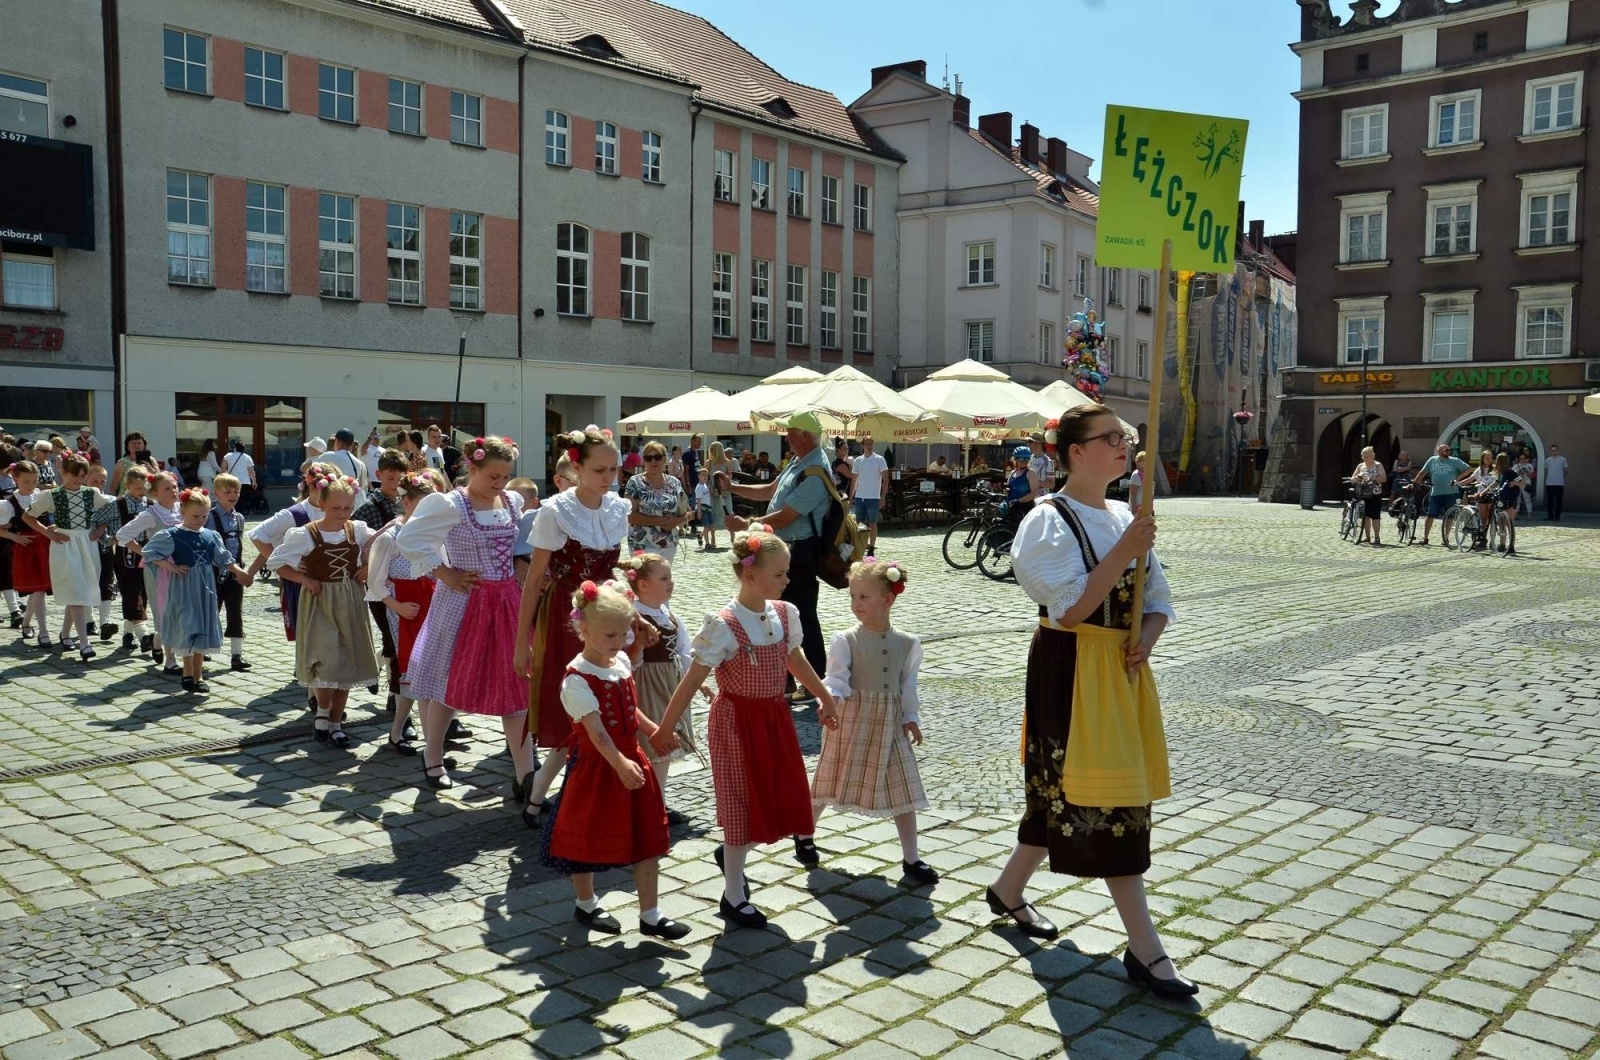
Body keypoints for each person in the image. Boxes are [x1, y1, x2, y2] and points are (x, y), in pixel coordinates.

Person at [995, 403, 1194, 1000]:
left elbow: (1156, 598)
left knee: (1065, 791)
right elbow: (1072, 607)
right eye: (1113, 438)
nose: (1124, 445)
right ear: (1076, 452)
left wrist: (1146, 641)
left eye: (1126, 437)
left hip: (1119, 672)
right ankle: (1146, 949)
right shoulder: (1047, 520)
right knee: (1106, 803)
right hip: (1070, 666)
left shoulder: (1123, 515)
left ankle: (1007, 891)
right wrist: (1126, 547)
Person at [650, 526, 836, 929]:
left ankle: (733, 856)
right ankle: (733, 894)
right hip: (735, 722)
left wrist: (823, 695)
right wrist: (665, 728)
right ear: (750, 575)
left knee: (778, 794)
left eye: (787, 573)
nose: (788, 580)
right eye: (780, 574)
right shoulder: (724, 623)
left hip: (773, 716)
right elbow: (690, 681)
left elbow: (794, 658)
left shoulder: (785, 614)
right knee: (739, 802)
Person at [538, 579, 689, 941]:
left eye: (623, 634)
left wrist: (655, 733)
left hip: (630, 759)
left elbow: (630, 709)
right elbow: (596, 732)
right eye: (610, 636)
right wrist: (620, 763)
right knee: (586, 837)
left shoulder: (620, 660)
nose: (619, 643)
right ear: (583, 629)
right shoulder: (576, 679)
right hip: (598, 767)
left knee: (646, 835)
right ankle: (586, 902)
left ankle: (650, 913)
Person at [399, 437, 534, 793]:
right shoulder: (450, 504)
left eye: (505, 476)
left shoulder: (511, 500)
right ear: (471, 469)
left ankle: (525, 773)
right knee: (448, 683)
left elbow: (519, 545)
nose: (499, 483)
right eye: (492, 475)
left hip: (507, 602)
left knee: (516, 684)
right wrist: (443, 572)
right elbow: (409, 538)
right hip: (463, 602)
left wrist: (522, 566)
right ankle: (433, 758)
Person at [513, 427, 630, 821]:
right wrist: (520, 642)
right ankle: (559, 794)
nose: (608, 477)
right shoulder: (556, 511)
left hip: (607, 612)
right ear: (576, 468)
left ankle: (595, 789)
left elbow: (614, 569)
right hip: (566, 615)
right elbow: (533, 581)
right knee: (575, 708)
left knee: (610, 703)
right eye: (600, 469)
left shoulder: (617, 508)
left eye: (613, 469)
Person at [806, 558, 934, 882]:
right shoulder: (846, 640)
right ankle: (804, 834)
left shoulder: (907, 643)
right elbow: (835, 678)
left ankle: (912, 858)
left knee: (903, 787)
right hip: (851, 719)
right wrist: (829, 703)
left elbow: (908, 684)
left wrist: (910, 717)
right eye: (852, 596)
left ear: (887, 600)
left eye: (863, 597)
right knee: (829, 778)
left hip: (889, 725)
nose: (856, 604)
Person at [725, 412, 833, 704]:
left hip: (800, 553)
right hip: (784, 551)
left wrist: (748, 525)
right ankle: (783, 681)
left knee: (803, 618)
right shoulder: (799, 462)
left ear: (806, 437)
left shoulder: (815, 471)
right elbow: (770, 491)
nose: (787, 437)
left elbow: (786, 516)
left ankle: (814, 683)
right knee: (776, 614)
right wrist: (733, 487)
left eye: (792, 432)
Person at [269, 473, 377, 746]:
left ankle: (337, 723)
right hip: (319, 600)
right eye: (335, 508)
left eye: (347, 508)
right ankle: (322, 712)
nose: (342, 514)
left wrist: (367, 567)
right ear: (321, 504)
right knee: (325, 659)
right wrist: (304, 579)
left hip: (350, 598)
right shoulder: (306, 533)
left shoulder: (359, 530)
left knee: (347, 662)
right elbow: (276, 562)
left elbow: (383, 546)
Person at [618, 551, 699, 825]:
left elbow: (684, 649)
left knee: (664, 745)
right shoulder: (635, 617)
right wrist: (639, 646)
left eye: (670, 577)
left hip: (670, 683)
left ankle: (657, 802)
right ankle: (652, 805)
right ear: (643, 585)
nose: (671, 583)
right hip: (647, 684)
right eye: (664, 578)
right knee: (654, 745)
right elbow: (624, 657)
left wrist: (694, 682)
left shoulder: (668, 614)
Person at [367, 471, 442, 755]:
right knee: (412, 673)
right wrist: (396, 606)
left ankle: (401, 731)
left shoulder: (433, 535)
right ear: (406, 502)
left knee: (425, 676)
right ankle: (426, 743)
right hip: (403, 610)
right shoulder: (390, 537)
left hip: (430, 608)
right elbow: (375, 582)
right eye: (420, 506)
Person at [143, 488, 239, 694]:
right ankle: (188, 671)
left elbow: (224, 558)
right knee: (188, 627)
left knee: (202, 627)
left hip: (205, 588)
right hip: (183, 587)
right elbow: (149, 553)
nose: (200, 520)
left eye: (204, 516)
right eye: (195, 516)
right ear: (183, 510)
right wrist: (171, 567)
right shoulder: (172, 535)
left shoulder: (211, 535)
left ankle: (199, 675)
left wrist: (241, 573)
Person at [24, 451, 114, 661]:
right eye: (75, 475)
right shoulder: (52, 495)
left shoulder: (91, 493)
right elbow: (28, 516)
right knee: (75, 589)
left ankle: (66, 633)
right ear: (63, 472)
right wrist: (48, 532)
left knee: (82, 590)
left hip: (86, 542)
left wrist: (99, 529)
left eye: (83, 476)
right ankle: (84, 643)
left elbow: (110, 510)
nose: (79, 480)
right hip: (64, 543)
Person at [354, 450, 409, 710]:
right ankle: (393, 693)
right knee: (390, 636)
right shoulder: (368, 507)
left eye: (399, 478)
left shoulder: (407, 502)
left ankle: (381, 662)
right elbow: (359, 543)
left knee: (398, 639)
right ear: (378, 476)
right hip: (379, 581)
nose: (395, 483)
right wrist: (365, 564)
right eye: (390, 478)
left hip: (405, 578)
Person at [115, 471, 183, 671]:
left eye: (174, 487)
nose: (173, 491)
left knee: (181, 610)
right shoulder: (151, 514)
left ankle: (160, 641)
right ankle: (170, 660)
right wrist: (147, 552)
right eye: (167, 488)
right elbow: (122, 535)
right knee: (164, 611)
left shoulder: (182, 509)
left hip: (181, 568)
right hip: (158, 570)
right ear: (153, 493)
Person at [101, 467, 152, 651]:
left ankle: (128, 633)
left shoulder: (150, 504)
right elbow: (96, 520)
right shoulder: (117, 504)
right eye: (137, 488)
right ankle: (144, 635)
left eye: (144, 487)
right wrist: (108, 540)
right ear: (128, 485)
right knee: (131, 592)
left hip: (145, 552)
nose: (141, 492)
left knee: (143, 593)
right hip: (124, 554)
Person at [206, 473, 253, 671]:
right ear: (217, 494)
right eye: (228, 492)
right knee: (211, 611)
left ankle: (236, 654)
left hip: (235, 571)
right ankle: (205, 648)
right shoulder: (208, 516)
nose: (233, 495)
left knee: (235, 612)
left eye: (237, 491)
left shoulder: (239, 518)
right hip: (213, 572)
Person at [2, 462, 50, 644]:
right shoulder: (8, 502)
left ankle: (27, 622)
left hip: (44, 543)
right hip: (25, 548)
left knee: (39, 590)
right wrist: (14, 537)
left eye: (34, 481)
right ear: (15, 479)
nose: (31, 485)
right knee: (37, 589)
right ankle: (43, 631)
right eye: (26, 482)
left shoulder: (42, 496)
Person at [624, 441, 690, 565]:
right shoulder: (635, 482)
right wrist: (659, 521)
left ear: (665, 459)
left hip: (669, 544)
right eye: (648, 458)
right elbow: (629, 516)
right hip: (642, 543)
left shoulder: (674, 482)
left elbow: (689, 513)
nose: (653, 461)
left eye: (658, 457)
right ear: (643, 461)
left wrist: (676, 522)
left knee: (662, 582)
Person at [1413, 444, 1472, 547]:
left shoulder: (1455, 461)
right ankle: (1425, 537)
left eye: (1450, 450)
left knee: (1450, 516)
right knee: (1430, 515)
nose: (1449, 451)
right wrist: (1415, 482)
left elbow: (1468, 469)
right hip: (1435, 493)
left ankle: (1446, 538)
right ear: (1439, 451)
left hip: (1451, 493)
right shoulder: (1432, 460)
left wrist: (1458, 478)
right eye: (1446, 450)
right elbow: (1423, 472)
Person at [83, 463, 117, 640]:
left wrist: (103, 526)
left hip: (104, 545)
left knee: (106, 580)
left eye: (102, 481)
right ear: (86, 479)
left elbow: (114, 519)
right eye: (94, 480)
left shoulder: (109, 500)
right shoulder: (81, 499)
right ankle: (89, 620)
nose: (98, 484)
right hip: (85, 545)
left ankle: (105, 621)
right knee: (88, 581)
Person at [850, 436, 889, 557]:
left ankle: (871, 547)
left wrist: (883, 497)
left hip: (873, 497)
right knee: (858, 523)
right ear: (862, 446)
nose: (869, 446)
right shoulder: (858, 461)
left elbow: (886, 479)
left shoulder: (879, 459)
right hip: (860, 496)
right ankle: (860, 546)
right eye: (867, 444)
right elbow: (854, 480)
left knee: (872, 523)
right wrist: (851, 496)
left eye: (871, 444)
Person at [1350, 447, 1388, 546]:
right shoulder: (1360, 466)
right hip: (1362, 493)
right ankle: (1367, 536)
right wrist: (1357, 478)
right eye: (1364, 456)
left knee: (1375, 517)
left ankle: (1377, 537)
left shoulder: (1378, 465)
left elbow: (1384, 478)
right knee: (1365, 516)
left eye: (1367, 456)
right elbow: (1353, 477)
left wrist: (1372, 478)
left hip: (1375, 494)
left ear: (1372, 456)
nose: (1365, 458)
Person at [508, 476, 541, 584]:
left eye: (519, 501)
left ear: (534, 503)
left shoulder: (539, 522)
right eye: (507, 499)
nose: (511, 505)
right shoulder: (500, 523)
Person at [702, 442, 735, 550]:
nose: (710, 452)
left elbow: (729, 477)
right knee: (713, 515)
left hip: (724, 493)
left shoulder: (728, 462)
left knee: (728, 513)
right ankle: (713, 540)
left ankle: (733, 538)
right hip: (712, 493)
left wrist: (724, 487)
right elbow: (704, 478)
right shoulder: (708, 463)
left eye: (711, 450)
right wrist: (708, 489)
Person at [221, 441, 258, 508]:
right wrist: (254, 482)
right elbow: (251, 471)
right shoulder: (247, 457)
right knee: (242, 499)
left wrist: (226, 477)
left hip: (232, 481)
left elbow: (223, 467)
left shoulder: (228, 456)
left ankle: (233, 512)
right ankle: (241, 514)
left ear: (235, 448)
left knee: (232, 498)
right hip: (245, 482)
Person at [1026, 434, 1056, 500]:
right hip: (1027, 496)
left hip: (1040, 498)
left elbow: (1051, 484)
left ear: (1038, 444)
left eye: (1030, 442)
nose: (1028, 444)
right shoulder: (1029, 458)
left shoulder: (1047, 461)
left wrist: (1035, 482)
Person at [1544, 444, 1567, 521]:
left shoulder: (1563, 460)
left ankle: (1557, 516)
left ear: (1558, 450)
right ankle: (1550, 516)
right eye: (1552, 450)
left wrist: (1561, 477)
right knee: (1549, 501)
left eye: (1555, 450)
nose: (1554, 452)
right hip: (1549, 483)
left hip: (1559, 483)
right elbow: (1546, 471)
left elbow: (1565, 470)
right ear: (1550, 451)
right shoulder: (1547, 460)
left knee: (1558, 501)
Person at [1515, 450, 1536, 516]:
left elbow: (1531, 476)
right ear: (1518, 459)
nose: (1522, 460)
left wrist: (1526, 471)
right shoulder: (1516, 466)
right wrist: (1519, 471)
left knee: (1527, 500)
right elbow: (1513, 476)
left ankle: (1529, 515)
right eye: (1521, 458)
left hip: (1526, 484)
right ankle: (1516, 515)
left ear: (1526, 459)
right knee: (1517, 500)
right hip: (1517, 484)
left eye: (1524, 458)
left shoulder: (1529, 465)